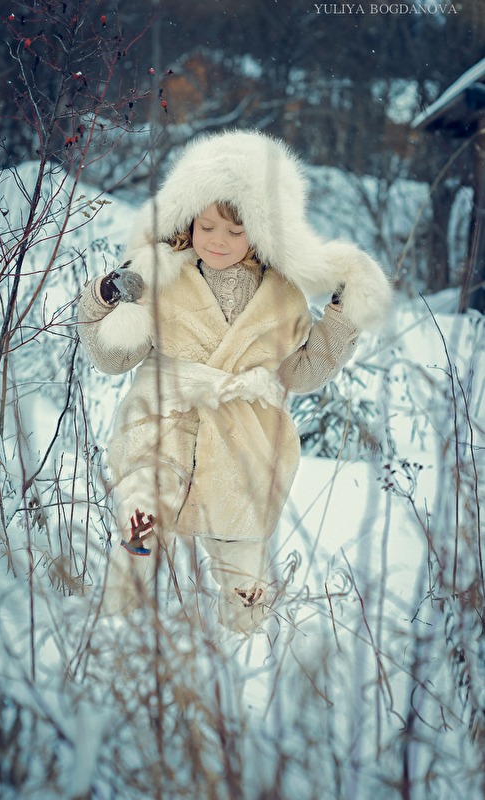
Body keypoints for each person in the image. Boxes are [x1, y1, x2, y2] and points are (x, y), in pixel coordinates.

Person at [78, 129, 391, 634]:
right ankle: (118, 630)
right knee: (142, 517)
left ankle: (246, 644)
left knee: (243, 561)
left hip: (243, 440)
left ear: (266, 233)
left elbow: (301, 373)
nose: (218, 241)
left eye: (236, 230)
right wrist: (108, 298)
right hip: (164, 421)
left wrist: (340, 316)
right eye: (207, 226)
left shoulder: (284, 296)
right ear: (187, 220)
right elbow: (114, 358)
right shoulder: (160, 276)